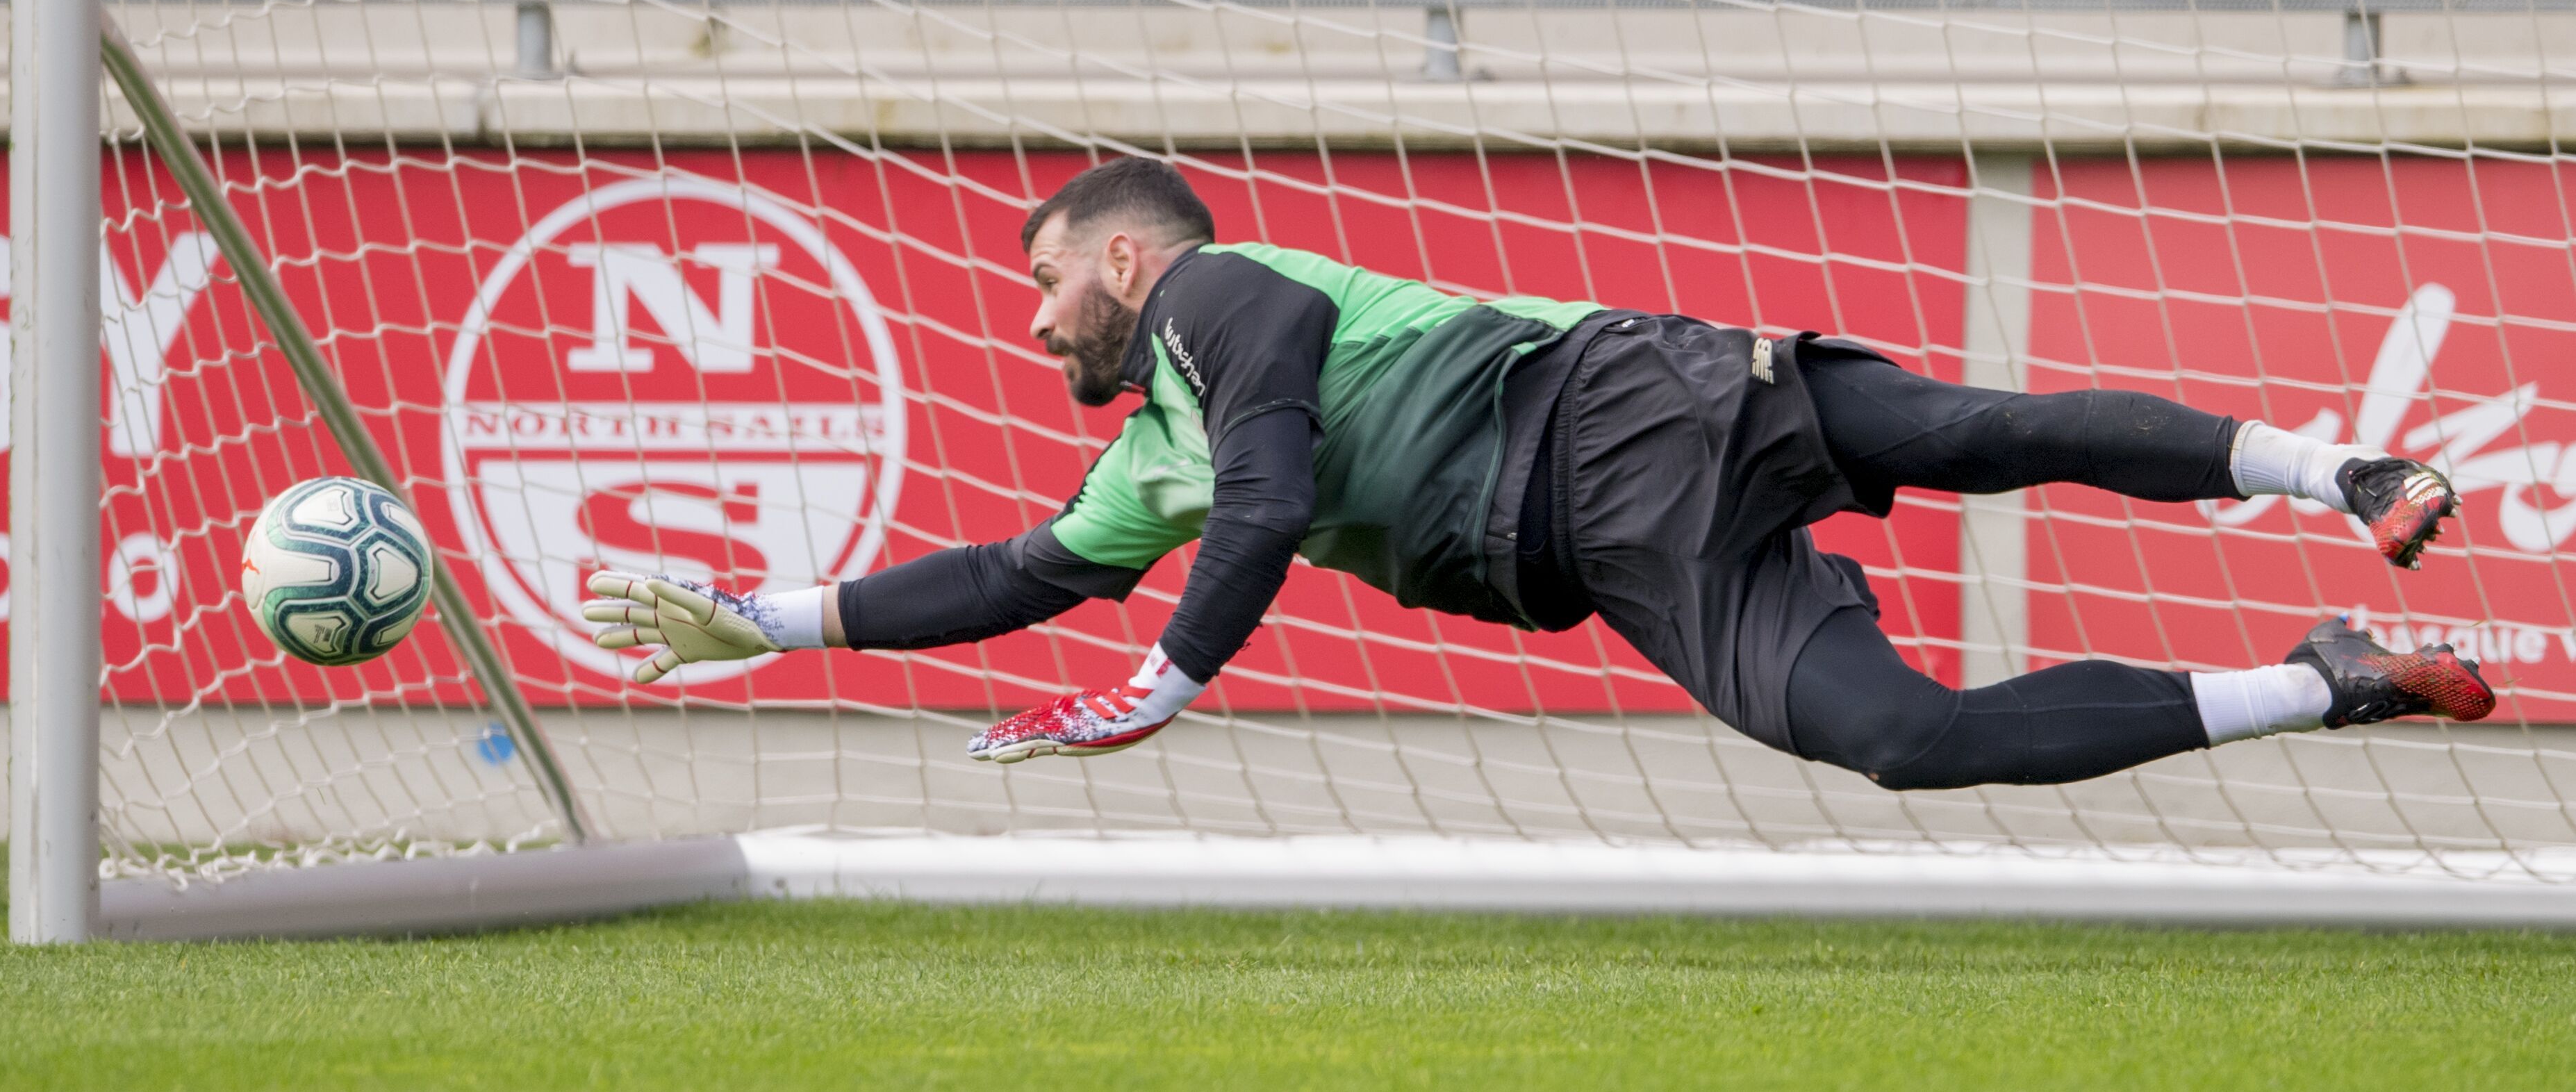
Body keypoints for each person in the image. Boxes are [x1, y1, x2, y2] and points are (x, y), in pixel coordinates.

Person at [584, 158, 2491, 790]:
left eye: (1047, 283)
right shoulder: (1154, 454)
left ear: (1132, 260)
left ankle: (2344, 462)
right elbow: (1018, 575)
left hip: (1614, 413)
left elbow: (1267, 494)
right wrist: (771, 614)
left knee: (1972, 430)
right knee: (1897, 740)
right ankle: (2324, 678)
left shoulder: (1228, 301)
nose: (1033, 323)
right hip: (1625, 560)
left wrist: (1167, 684)